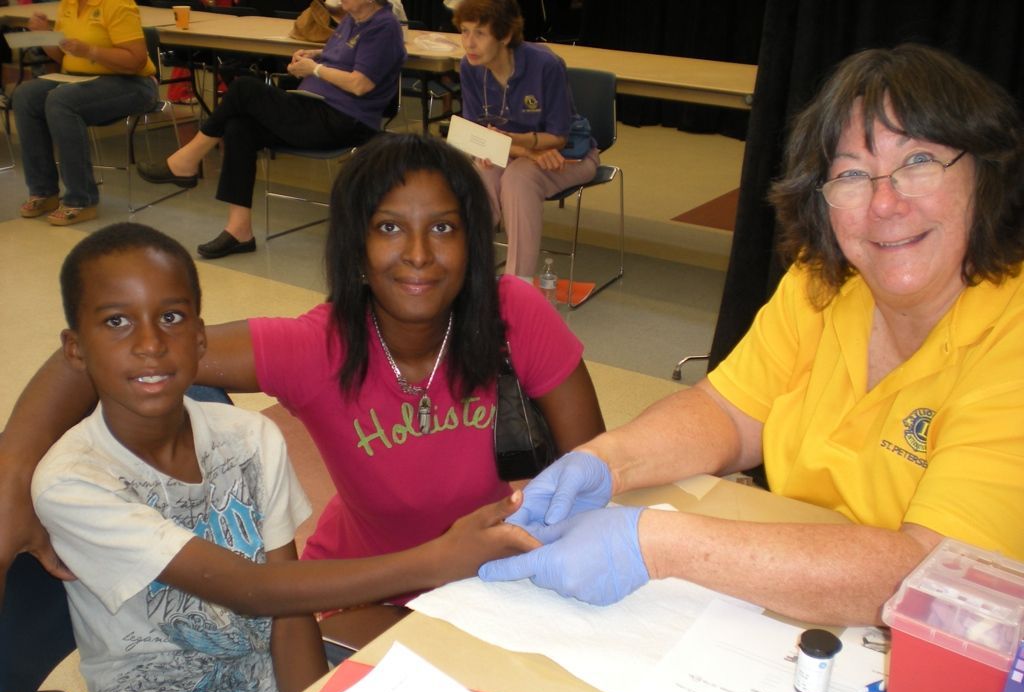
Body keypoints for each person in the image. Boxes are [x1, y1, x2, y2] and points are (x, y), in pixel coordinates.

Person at [480, 43, 1024, 627]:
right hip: (804, 600)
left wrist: (655, 545)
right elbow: (728, 414)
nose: (885, 202)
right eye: (853, 174)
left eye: (918, 161)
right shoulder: (825, 283)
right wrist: (604, 461)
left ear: (984, 172)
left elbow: (936, 579)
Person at [0, 132, 604, 604]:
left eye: (443, 228)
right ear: (354, 247)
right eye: (389, 227)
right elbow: (118, 347)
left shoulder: (514, 314)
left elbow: (596, 473)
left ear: (473, 239)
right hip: (367, 595)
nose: (419, 254)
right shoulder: (318, 347)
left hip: (501, 585)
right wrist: (11, 477)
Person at [33, 222, 535, 692]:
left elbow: (289, 610)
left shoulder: (249, 439)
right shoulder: (75, 481)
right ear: (75, 350)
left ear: (201, 339)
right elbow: (255, 590)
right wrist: (436, 560)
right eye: (117, 322)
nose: (151, 343)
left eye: (172, 318)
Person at [137, 0, 404, 260]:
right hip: (313, 110)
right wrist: (314, 56)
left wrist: (316, 69)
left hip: (344, 121)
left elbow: (360, 84)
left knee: (244, 89)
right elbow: (342, 56)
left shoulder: (383, 27)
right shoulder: (353, 20)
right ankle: (239, 230)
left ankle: (186, 161)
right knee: (240, 127)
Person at [453, 0, 598, 279]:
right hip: (514, 153)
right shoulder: (470, 67)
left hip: (567, 155)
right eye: (464, 31)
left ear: (505, 35)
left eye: (479, 33)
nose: (469, 43)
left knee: (518, 179)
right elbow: (474, 134)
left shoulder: (545, 64)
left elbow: (557, 138)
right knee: (482, 176)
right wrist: (522, 151)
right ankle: (467, 276)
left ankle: (519, 284)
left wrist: (514, 144)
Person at [12, 0, 158, 226]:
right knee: (25, 95)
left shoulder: (117, 5)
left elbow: (136, 61)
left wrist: (91, 50)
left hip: (131, 83)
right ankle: (43, 191)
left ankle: (82, 200)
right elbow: (64, 57)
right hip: (78, 78)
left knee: (61, 101)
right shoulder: (68, 5)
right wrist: (44, 36)